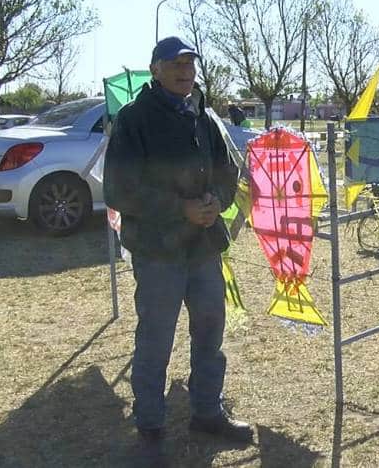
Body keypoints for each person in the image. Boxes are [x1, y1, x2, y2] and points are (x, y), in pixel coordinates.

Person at [103, 36, 251, 456]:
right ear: (155, 70)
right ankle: (150, 426)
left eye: (189, 64)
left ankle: (207, 411)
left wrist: (213, 203)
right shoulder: (135, 119)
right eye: (174, 64)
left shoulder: (203, 116)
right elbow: (118, 189)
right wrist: (179, 208)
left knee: (210, 333)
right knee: (155, 339)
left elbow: (227, 171)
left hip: (203, 247)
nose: (184, 71)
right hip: (157, 251)